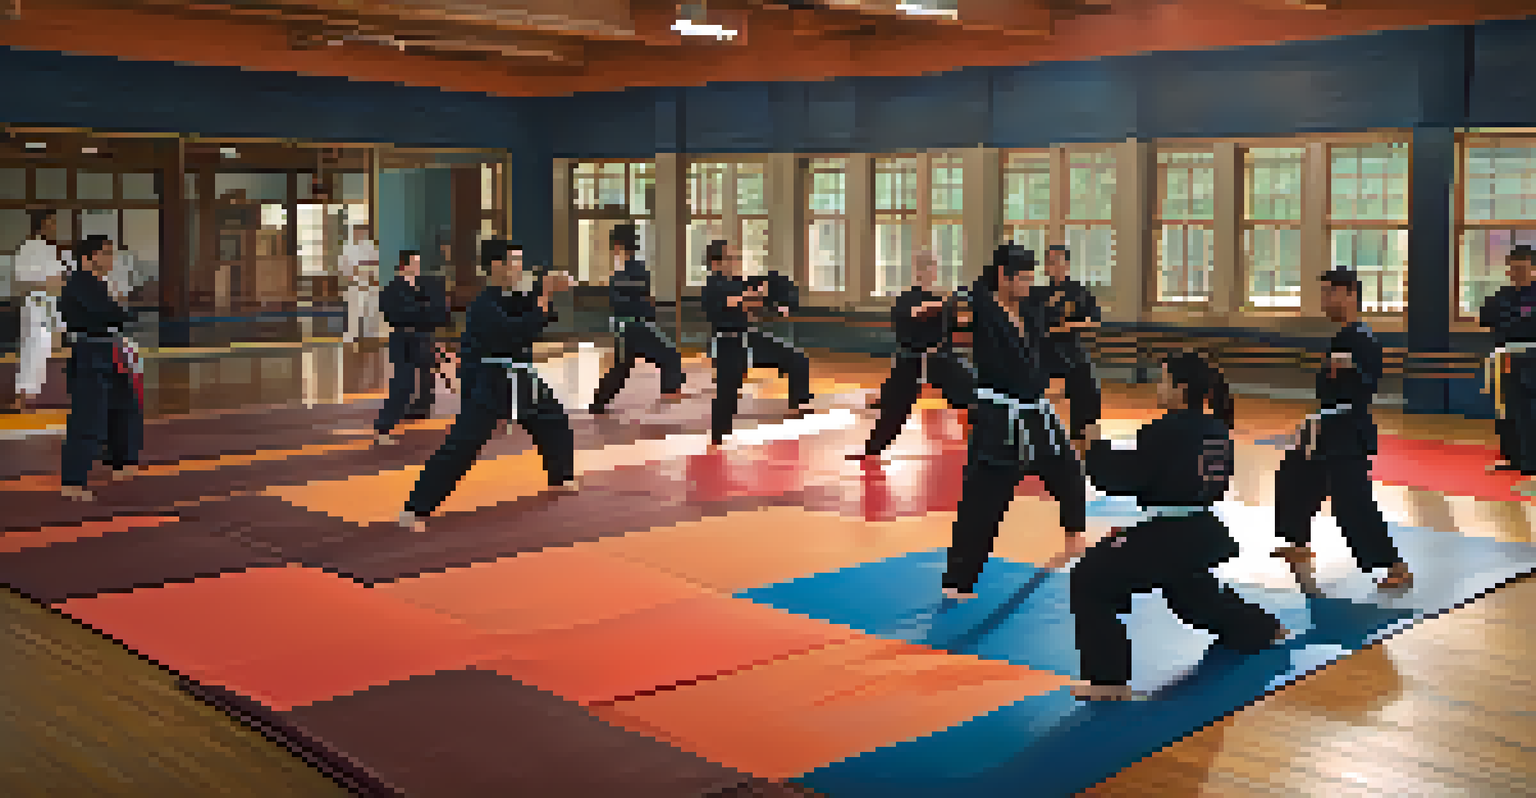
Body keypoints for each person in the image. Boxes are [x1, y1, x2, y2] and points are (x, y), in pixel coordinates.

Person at [1070, 351, 1289, 701]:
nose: (1159, 387)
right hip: (1202, 530)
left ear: (1180, 388)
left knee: (1089, 579)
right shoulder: (1217, 427)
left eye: (1164, 380)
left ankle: (1107, 679)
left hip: (1171, 535)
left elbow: (1126, 478)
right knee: (1191, 597)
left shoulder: (1166, 428)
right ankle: (1262, 627)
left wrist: (1094, 448)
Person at [399, 240, 576, 532]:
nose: (519, 267)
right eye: (514, 261)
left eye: (520, 260)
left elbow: (532, 310)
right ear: (496, 266)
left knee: (553, 420)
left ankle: (561, 475)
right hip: (490, 381)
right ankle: (416, 508)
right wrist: (544, 294)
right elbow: (517, 331)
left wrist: (548, 288)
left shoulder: (508, 296)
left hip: (521, 378)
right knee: (464, 444)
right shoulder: (483, 305)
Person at [942, 244, 1087, 600]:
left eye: (1029, 278)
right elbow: (953, 317)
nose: (1027, 284)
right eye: (1021, 278)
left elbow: (1054, 316)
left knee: (1068, 470)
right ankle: (958, 581)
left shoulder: (1030, 307)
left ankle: (1074, 537)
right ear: (1003, 277)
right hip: (998, 416)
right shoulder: (981, 307)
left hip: (1036, 411)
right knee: (985, 497)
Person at [1271, 266, 1413, 594]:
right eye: (1322, 292)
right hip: (1326, 425)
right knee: (1295, 478)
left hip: (1347, 429)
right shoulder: (1342, 336)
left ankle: (1395, 566)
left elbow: (1366, 387)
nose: (1324, 300)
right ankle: (1297, 542)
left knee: (1352, 500)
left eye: (1329, 293)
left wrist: (1351, 370)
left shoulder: (1361, 338)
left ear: (1350, 294)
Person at [853, 247, 975, 460]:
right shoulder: (906, 299)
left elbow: (959, 325)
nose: (930, 271)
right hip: (911, 360)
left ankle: (989, 444)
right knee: (894, 407)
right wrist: (948, 302)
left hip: (941, 358)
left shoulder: (943, 301)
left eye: (933, 266)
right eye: (926, 266)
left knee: (974, 394)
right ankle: (872, 450)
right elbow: (918, 312)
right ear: (918, 270)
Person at [701, 240, 813, 447]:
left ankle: (800, 401)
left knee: (794, 357)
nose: (735, 262)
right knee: (728, 389)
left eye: (736, 258)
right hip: (727, 343)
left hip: (747, 338)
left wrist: (776, 304)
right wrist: (756, 295)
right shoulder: (712, 285)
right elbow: (733, 301)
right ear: (715, 263)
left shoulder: (736, 282)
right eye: (730, 258)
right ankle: (718, 435)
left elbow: (748, 306)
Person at [58, 235, 143, 502]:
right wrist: (123, 312)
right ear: (89, 257)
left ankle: (120, 463)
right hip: (90, 351)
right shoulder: (79, 283)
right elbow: (107, 313)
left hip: (111, 349)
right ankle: (73, 481)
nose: (111, 258)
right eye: (106, 252)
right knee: (88, 416)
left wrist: (121, 312)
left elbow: (115, 313)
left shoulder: (99, 283)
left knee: (122, 407)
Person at [589, 224, 685, 414]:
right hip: (633, 326)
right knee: (669, 357)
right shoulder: (628, 270)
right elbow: (632, 301)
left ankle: (599, 402)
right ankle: (668, 401)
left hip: (632, 326)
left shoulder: (629, 270)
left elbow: (631, 299)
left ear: (618, 246)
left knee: (624, 366)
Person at [1031, 245, 1103, 454]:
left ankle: (1082, 430)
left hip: (1069, 350)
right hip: (1042, 350)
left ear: (1067, 264)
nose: (1051, 266)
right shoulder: (1038, 293)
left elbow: (1093, 319)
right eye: (1049, 262)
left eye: (1056, 261)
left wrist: (1074, 325)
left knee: (1086, 381)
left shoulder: (1078, 292)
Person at [375, 250, 450, 443]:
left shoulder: (423, 286)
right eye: (414, 263)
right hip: (403, 338)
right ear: (404, 265)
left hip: (422, 338)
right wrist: (424, 311)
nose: (417, 267)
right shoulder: (392, 289)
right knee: (404, 383)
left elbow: (440, 312)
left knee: (432, 376)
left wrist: (422, 312)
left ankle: (420, 409)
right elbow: (394, 315)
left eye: (418, 263)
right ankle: (384, 427)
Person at [1479, 244, 1536, 477]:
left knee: (1529, 411)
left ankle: (1531, 461)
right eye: (1513, 269)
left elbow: (1522, 325)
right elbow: (1486, 317)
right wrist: (1514, 321)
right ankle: (1511, 457)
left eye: (1522, 268)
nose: (1517, 273)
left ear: (1533, 268)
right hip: (1506, 358)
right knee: (1505, 410)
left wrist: (1512, 321)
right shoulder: (1502, 295)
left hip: (1532, 359)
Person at [11, 209, 69, 412]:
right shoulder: (28, 248)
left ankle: (49, 395)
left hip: (53, 304)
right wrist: (47, 284)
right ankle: (24, 397)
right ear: (42, 224)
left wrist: (59, 283)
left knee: (55, 348)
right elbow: (21, 282)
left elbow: (59, 278)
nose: (54, 227)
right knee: (34, 349)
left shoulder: (50, 250)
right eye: (52, 223)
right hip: (37, 304)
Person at [341, 225, 381, 345]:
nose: (359, 234)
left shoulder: (370, 247)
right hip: (355, 284)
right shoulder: (347, 248)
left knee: (371, 310)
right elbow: (345, 267)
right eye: (357, 231)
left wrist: (370, 271)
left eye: (362, 231)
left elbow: (376, 262)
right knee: (354, 312)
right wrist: (355, 271)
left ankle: (371, 336)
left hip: (369, 283)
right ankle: (352, 336)